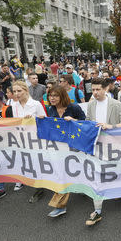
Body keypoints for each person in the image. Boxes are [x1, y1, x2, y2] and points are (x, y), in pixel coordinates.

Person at [85, 78, 121, 226]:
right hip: (97, 147)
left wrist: (111, 126)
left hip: (115, 147)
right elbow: (87, 122)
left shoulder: (116, 105)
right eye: (93, 89)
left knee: (116, 171)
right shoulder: (90, 104)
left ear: (106, 89)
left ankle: (117, 190)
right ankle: (96, 211)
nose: (95, 92)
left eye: (98, 89)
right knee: (96, 177)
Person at [46, 85, 86, 218]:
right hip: (60, 148)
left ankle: (84, 187)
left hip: (76, 146)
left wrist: (74, 121)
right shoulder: (50, 109)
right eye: (50, 95)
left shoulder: (74, 107)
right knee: (61, 174)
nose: (52, 98)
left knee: (79, 170)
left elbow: (86, 123)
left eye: (55, 95)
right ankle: (60, 205)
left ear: (62, 96)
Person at [11, 81, 47, 196]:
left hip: (35, 138)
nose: (16, 93)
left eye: (19, 91)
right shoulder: (14, 105)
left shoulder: (35, 104)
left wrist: (33, 118)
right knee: (27, 160)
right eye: (14, 91)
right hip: (21, 138)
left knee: (37, 161)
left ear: (26, 91)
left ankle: (39, 187)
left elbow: (44, 120)